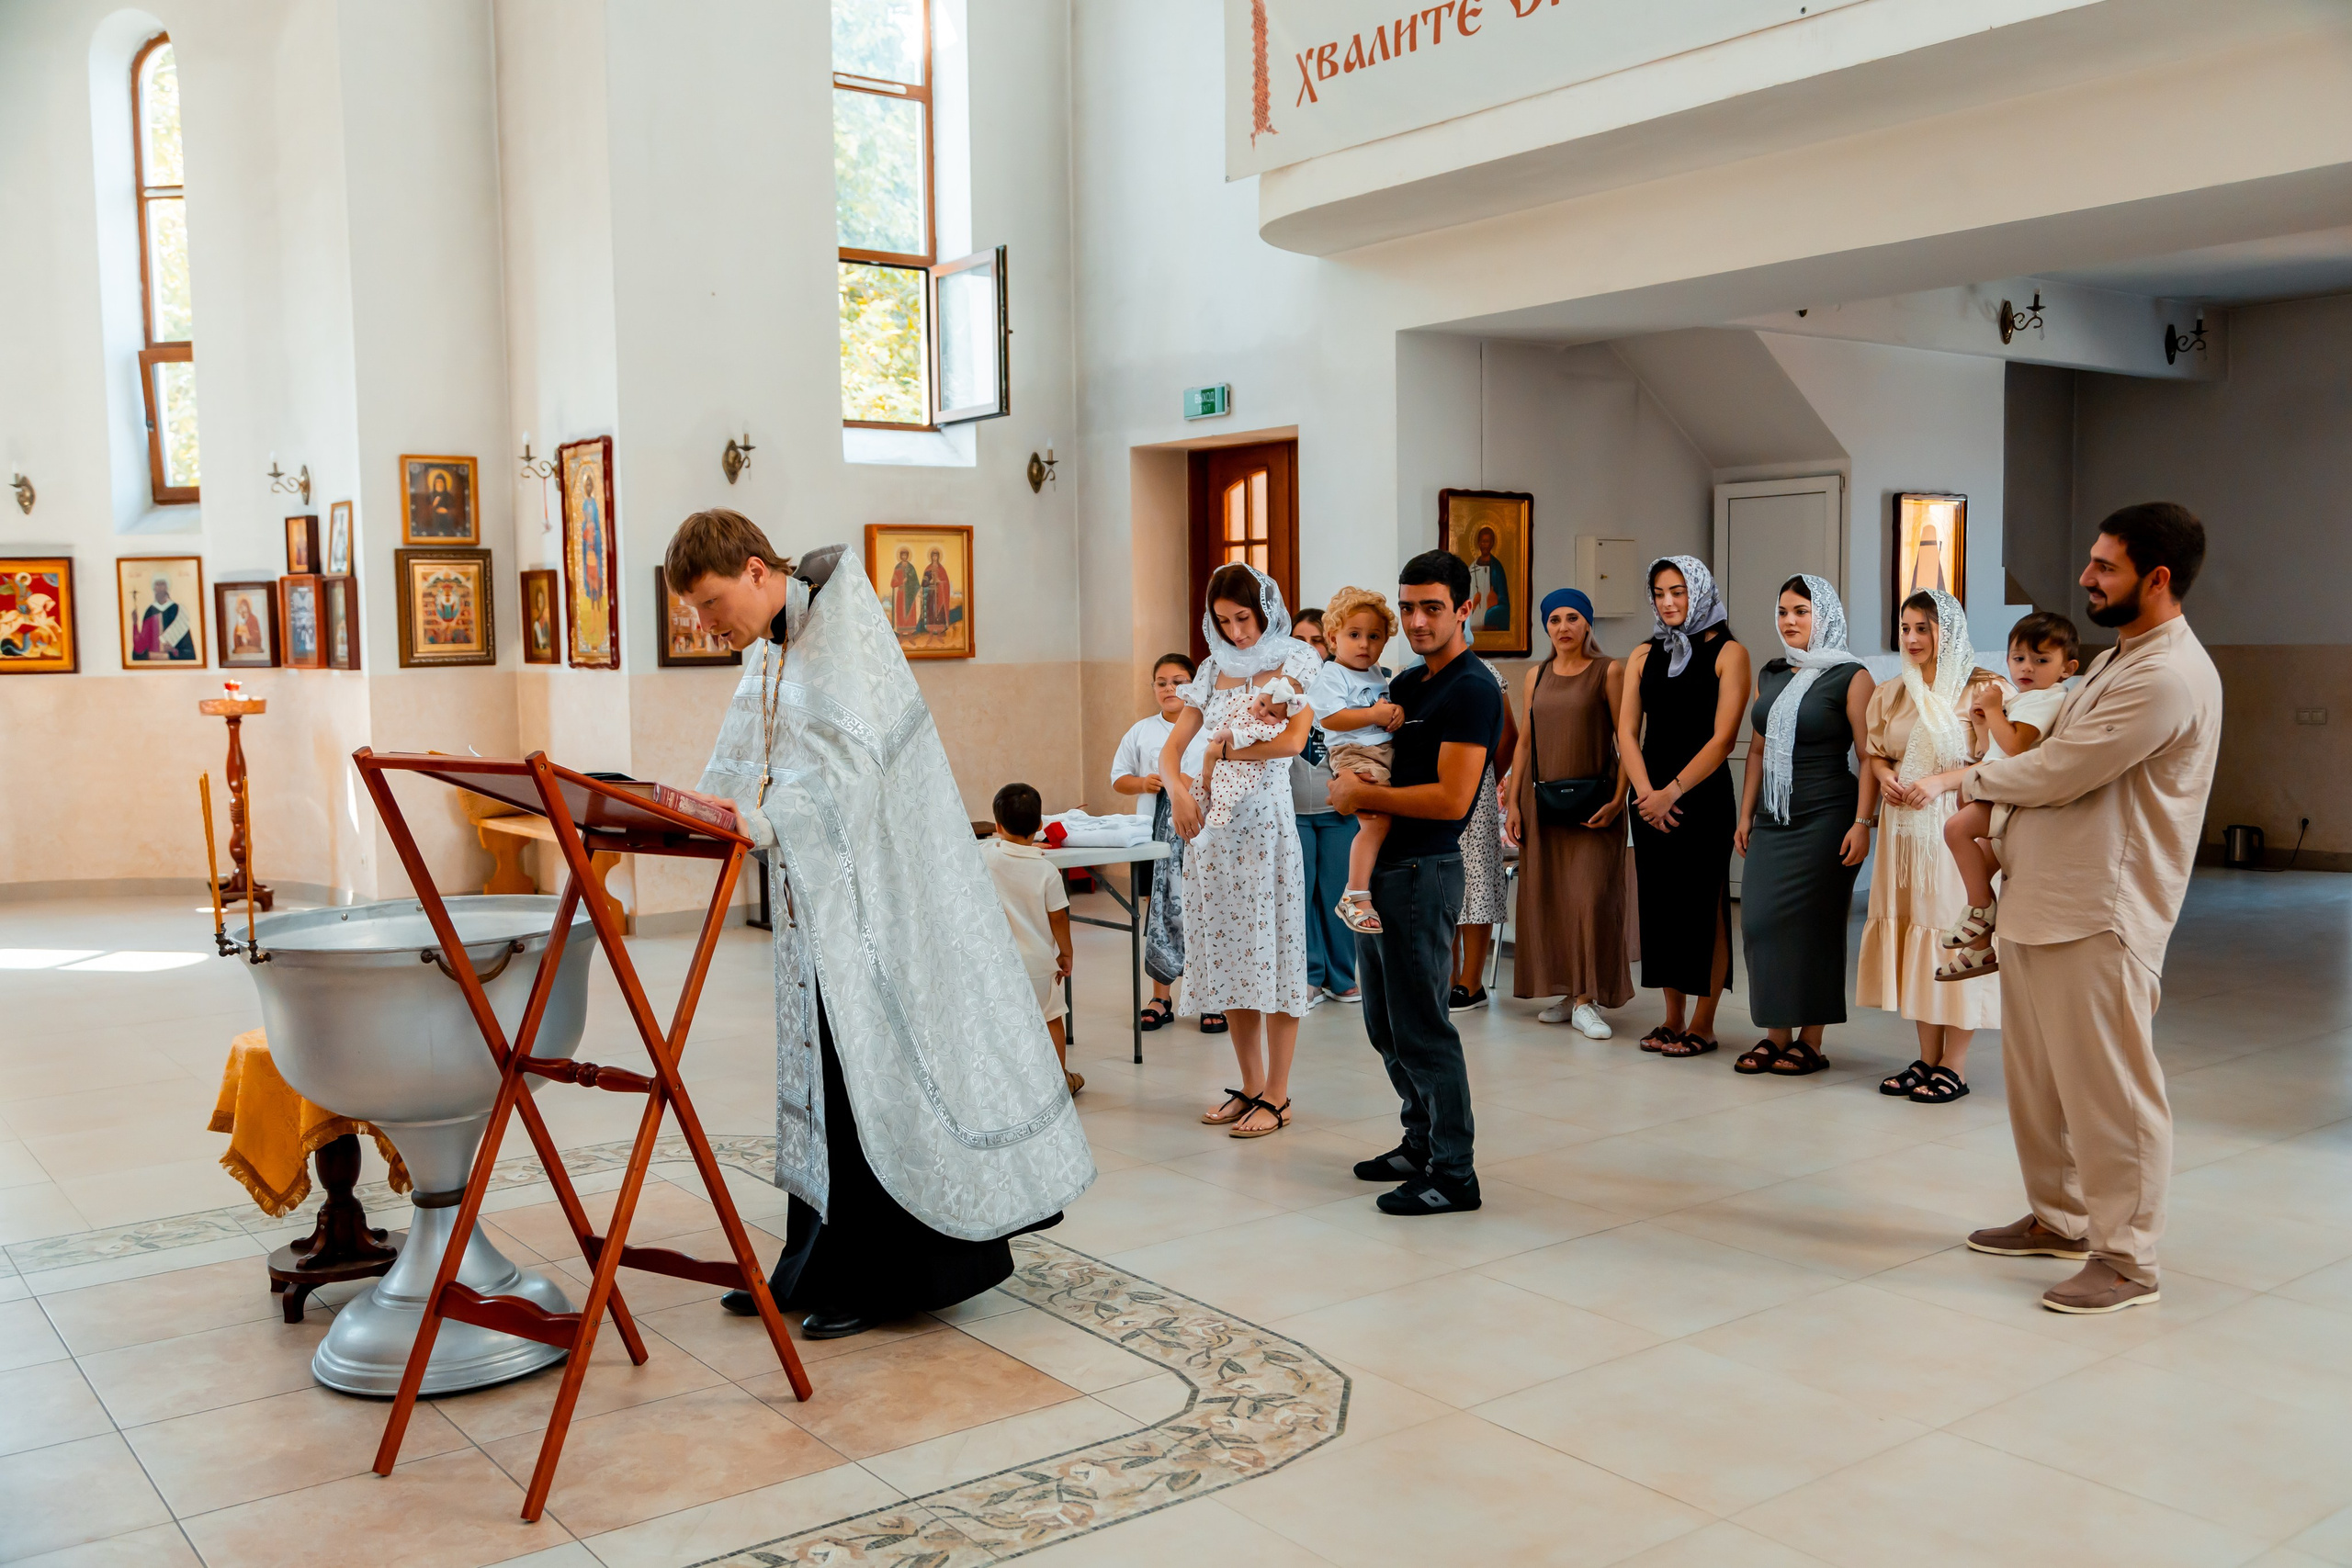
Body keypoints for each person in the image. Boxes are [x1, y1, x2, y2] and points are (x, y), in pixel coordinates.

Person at [664, 508, 1093, 1338]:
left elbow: (847, 779)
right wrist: (703, 809)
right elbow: (751, 756)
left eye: (713, 604)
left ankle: (877, 1276)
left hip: (885, 909)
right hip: (822, 901)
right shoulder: (779, 643)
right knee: (822, 1076)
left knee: (866, 1072)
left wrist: (760, 821)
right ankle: (812, 1263)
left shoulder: (841, 638)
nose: (707, 625)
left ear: (758, 570)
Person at [1952, 503, 2221, 1314]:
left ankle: (2129, 1258)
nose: (2085, 577)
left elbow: (2061, 769)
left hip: (2102, 911)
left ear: (2157, 577)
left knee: (2110, 1090)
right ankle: (2061, 1217)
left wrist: (1961, 782)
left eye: (2104, 566)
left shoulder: (2167, 674)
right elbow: (2042, 748)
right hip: (2042, 900)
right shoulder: (2118, 656)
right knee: (2038, 1081)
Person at [1326, 550, 1502, 1216]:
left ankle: (1455, 1172)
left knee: (1424, 1026)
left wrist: (1357, 797)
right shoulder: (1405, 682)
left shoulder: (1472, 688)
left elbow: (1454, 799)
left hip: (1422, 872)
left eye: (1432, 607)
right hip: (1382, 873)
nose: (1417, 620)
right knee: (1384, 1023)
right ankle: (1420, 1140)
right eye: (1407, 607)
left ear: (1464, 607)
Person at [1160, 562, 1319, 1139]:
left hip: (1266, 831)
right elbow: (1171, 748)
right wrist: (1179, 787)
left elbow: (1293, 741)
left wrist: (1218, 760)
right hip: (1213, 837)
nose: (1236, 633)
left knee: (1272, 955)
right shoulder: (1210, 669)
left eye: (1243, 619)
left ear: (1265, 609)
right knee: (1230, 958)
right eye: (1224, 622)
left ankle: (1278, 1094)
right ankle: (1249, 1084)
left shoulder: (1295, 660)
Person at [1858, 588, 2004, 1103]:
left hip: (1955, 827)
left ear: (1951, 630)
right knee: (1916, 939)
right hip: (1903, 827)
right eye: (1906, 628)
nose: (1913, 638)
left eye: (1924, 627)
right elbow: (1874, 753)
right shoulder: (1892, 691)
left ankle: (1956, 1065)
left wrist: (1941, 782)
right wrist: (1885, 775)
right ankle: (1926, 1056)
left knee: (1952, 937)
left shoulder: (1983, 690)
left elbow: (2001, 762)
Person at [1732, 576, 1875, 1076]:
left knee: (1815, 927)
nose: (1789, 621)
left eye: (1802, 611)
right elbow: (1755, 750)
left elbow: (1868, 755)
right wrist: (1746, 814)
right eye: (1783, 611)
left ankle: (1810, 1041)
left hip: (1827, 816)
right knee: (1759, 923)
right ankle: (1775, 1034)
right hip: (1773, 817)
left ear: (1826, 616)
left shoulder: (1851, 676)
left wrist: (1863, 822)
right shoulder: (1772, 673)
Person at [1618, 556, 1748, 1057]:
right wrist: (1645, 792)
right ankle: (1671, 1017)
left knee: (1704, 908)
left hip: (1700, 795)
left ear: (1698, 592)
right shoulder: (1641, 655)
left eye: (1679, 592)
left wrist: (1671, 791)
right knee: (1661, 908)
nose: (1668, 602)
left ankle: (1704, 1022)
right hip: (1648, 794)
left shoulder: (1729, 652)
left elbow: (1724, 739)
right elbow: (1628, 732)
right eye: (1659, 593)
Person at [1923, 613, 2082, 981]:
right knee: (1981, 859)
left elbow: (2013, 747)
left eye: (2041, 660)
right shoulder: (2026, 699)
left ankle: (1981, 908)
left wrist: (1994, 710)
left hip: (2008, 797)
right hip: (1996, 790)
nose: (2027, 668)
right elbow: (1987, 749)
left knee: (1954, 831)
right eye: (2019, 658)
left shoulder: (2045, 699)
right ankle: (1980, 950)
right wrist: (1984, 722)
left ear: (2067, 668)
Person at [1505, 587, 1632, 1039]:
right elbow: (1524, 743)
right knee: (1553, 899)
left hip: (1595, 806)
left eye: (1572, 618)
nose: (1563, 627)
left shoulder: (1608, 672)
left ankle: (1586, 999)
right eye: (1554, 619)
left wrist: (1619, 800)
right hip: (1543, 805)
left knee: (1588, 898)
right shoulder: (1536, 675)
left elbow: (1627, 740)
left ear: (1587, 624)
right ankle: (1568, 992)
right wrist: (1514, 805)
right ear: (1546, 626)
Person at [1113, 653, 1210, 1031]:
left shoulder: (1210, 726)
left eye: (1179, 681)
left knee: (1205, 907)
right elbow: (1118, 778)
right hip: (1156, 835)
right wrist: (1144, 783)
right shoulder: (1142, 731)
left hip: (1203, 832)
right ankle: (1161, 995)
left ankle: (1209, 995)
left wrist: (1191, 784)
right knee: (1161, 909)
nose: (1170, 689)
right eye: (1162, 682)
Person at [1311, 588, 1401, 935]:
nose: (1364, 644)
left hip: (1381, 752)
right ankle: (1355, 893)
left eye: (1374, 636)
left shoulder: (1376, 672)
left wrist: (1394, 712)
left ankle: (1364, 888)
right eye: (1354, 635)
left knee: (1383, 819)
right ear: (1333, 638)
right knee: (1376, 821)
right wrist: (1372, 714)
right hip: (1354, 752)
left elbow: (1381, 708)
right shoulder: (1332, 674)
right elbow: (1331, 719)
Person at [981, 783, 1080, 1096]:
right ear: (1040, 825)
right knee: (1051, 1018)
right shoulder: (1046, 871)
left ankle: (1002, 1084)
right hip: (1037, 963)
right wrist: (1066, 953)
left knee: (996, 1021)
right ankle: (1057, 1082)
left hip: (994, 962)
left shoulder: (983, 857)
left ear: (997, 826)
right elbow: (1058, 917)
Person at [1288, 612, 1359, 1002]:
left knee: (1338, 893)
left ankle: (1343, 975)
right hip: (1292, 812)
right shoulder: (1279, 688)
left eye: (1316, 639)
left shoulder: (1347, 686)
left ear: (1329, 644)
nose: (1307, 648)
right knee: (1301, 895)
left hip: (1339, 813)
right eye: (1299, 639)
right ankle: (1310, 974)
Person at [1449, 658, 1517, 1012]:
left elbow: (1509, 738)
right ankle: (1446, 978)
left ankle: (1470, 983)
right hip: (1430, 792)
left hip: (1475, 794)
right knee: (1442, 884)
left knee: (1476, 884)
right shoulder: (1415, 675)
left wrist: (1483, 779)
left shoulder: (1485, 672)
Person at [131, 576, 196, 661]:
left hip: (172, 662)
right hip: (152, 662)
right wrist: (135, 623)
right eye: (157, 585)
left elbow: (186, 645)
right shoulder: (150, 611)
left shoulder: (177, 610)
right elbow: (142, 645)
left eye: (162, 584)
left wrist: (174, 650)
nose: (159, 587)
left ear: (167, 587)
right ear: (154, 588)